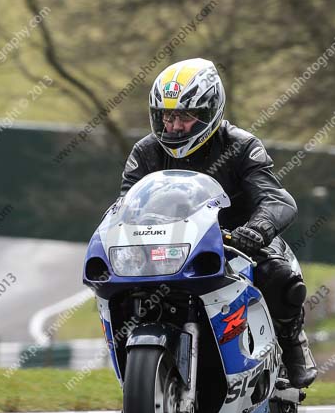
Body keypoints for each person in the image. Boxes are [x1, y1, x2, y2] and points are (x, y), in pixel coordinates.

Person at [119, 57, 317, 389]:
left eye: (184, 116)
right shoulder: (146, 153)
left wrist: (256, 231)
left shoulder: (242, 146)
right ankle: (141, 376)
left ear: (210, 111)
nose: (174, 126)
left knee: (279, 276)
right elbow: (126, 205)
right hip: (171, 245)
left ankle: (292, 342)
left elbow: (277, 199)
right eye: (167, 116)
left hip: (238, 241)